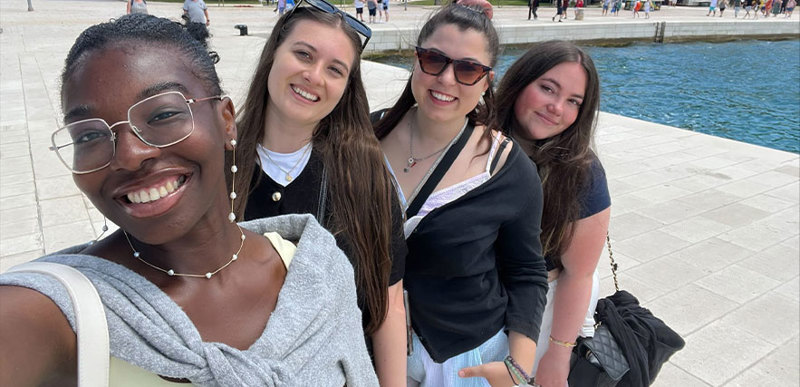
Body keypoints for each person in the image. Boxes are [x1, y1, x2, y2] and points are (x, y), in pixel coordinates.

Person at [0, 14, 377, 386]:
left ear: (226, 119)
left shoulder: (317, 268)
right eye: (88, 136)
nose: (130, 155)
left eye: (163, 114)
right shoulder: (59, 308)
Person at [232, 2, 407, 385]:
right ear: (273, 53)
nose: (314, 76)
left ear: (346, 87)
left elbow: (389, 301)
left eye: (334, 69)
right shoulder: (216, 164)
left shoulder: (364, 176)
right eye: (303, 54)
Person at [373, 3, 548, 386]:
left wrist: (519, 368)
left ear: (486, 81)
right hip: (368, 346)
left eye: (468, 69)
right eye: (434, 59)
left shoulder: (508, 169)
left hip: (465, 361)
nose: (447, 78)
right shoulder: (366, 139)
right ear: (415, 61)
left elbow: (527, 272)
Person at [495, 40, 610, 387]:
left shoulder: (581, 172)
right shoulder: (476, 138)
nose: (556, 108)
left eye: (573, 101)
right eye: (547, 88)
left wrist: (558, 355)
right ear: (519, 82)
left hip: (540, 313)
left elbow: (579, 273)